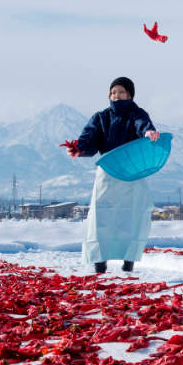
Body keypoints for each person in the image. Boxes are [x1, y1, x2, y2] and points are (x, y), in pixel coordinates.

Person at [66, 76, 160, 274]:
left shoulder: (137, 114)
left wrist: (149, 133)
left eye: (121, 92)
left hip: (133, 170)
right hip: (108, 169)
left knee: (132, 214)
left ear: (130, 95)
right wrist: (79, 148)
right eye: (113, 92)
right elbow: (89, 139)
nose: (116, 95)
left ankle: (129, 260)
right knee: (101, 214)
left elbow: (143, 125)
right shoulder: (101, 117)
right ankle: (99, 261)